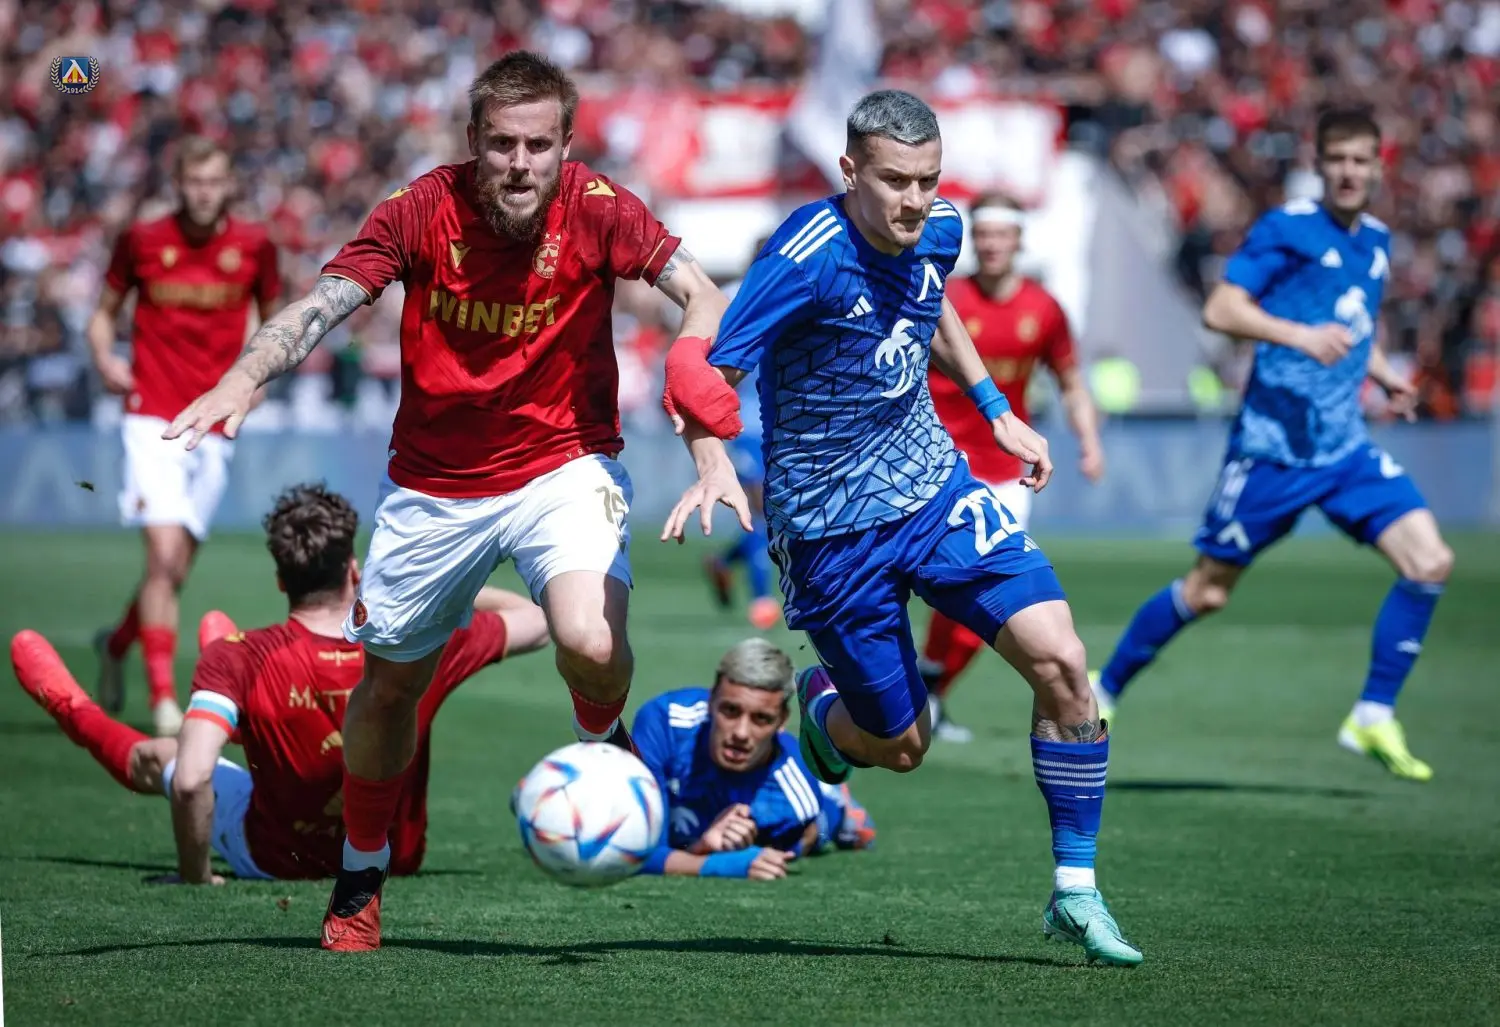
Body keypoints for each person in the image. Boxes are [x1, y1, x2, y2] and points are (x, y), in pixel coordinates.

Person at [165, 52, 728, 951]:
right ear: (473, 141)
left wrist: (697, 388)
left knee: (590, 641)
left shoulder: (600, 206)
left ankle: (599, 735)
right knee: (390, 688)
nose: (520, 163)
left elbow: (700, 293)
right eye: (501, 143)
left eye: (538, 145)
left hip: (564, 462)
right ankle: (360, 876)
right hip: (434, 486)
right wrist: (245, 375)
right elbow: (324, 303)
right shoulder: (420, 209)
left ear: (565, 144)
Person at [660, 90, 1142, 966]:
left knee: (1065, 662)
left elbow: (932, 300)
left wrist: (995, 407)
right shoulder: (803, 257)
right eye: (895, 182)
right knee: (903, 746)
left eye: (928, 180)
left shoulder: (940, 228)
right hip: (830, 531)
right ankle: (824, 713)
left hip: (932, 490)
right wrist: (712, 460)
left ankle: (1076, 887)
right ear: (850, 171)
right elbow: (709, 370)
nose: (916, 201)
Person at [1092, 108, 1452, 782]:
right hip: (1272, 452)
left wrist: (1381, 374)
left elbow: (1351, 324)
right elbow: (1220, 309)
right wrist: (1299, 336)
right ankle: (1103, 689)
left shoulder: (1376, 241)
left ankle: (1372, 713)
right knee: (1206, 592)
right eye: (1337, 160)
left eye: (1360, 161)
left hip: (1343, 449)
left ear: (1378, 168)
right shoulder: (1288, 228)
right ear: (1319, 165)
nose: (1349, 172)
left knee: (1430, 561)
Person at [10, 484, 549, 884]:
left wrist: (195, 875)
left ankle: (79, 711)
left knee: (164, 756)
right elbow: (539, 621)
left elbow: (193, 782)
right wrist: (424, 591)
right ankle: (235, 717)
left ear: (279, 579)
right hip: (395, 858)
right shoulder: (423, 643)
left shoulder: (244, 653)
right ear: (355, 570)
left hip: (274, 859)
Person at [89, 136, 281, 737]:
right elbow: (103, 314)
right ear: (178, 184)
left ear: (229, 185)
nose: (204, 192)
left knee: (173, 570)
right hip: (152, 415)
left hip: (214, 421)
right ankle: (164, 702)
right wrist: (104, 357)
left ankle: (115, 645)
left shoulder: (255, 245)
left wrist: (257, 380)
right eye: (194, 182)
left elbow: (274, 321)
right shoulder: (142, 241)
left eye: (214, 181)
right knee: (164, 555)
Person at [920, 193, 1104, 743]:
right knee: (938, 584)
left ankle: (930, 690)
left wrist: (1089, 442)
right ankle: (908, 692)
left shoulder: (1043, 310)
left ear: (1019, 241)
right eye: (982, 235)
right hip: (938, 463)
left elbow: (1071, 383)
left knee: (990, 596)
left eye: (1001, 235)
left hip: (1007, 473)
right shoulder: (945, 299)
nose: (991, 245)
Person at [631, 639, 875, 881]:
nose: (741, 733)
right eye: (730, 711)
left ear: (782, 720)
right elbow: (639, 852)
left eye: (761, 719)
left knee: (817, 831)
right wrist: (712, 857)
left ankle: (839, 805)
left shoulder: (792, 798)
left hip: (803, 804)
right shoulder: (664, 722)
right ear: (711, 700)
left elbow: (787, 849)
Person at [702, 242, 780, 631]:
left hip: (781, 422)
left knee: (776, 512)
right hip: (743, 422)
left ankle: (723, 561)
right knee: (759, 508)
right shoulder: (730, 297)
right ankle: (762, 598)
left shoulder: (792, 292)